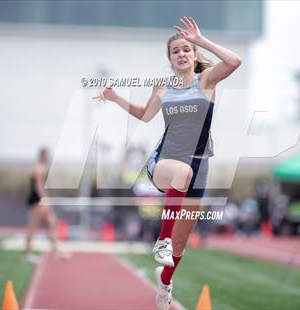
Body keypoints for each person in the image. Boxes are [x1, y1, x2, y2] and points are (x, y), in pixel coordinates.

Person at [96, 17, 241, 309]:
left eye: (186, 49)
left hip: (200, 168)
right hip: (165, 161)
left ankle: (164, 282)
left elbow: (235, 60)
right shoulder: (163, 86)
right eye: (176, 51)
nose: (182, 54)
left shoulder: (207, 79)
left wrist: (201, 39)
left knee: (180, 246)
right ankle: (160, 242)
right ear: (170, 58)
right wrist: (116, 99)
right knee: (181, 172)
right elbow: (145, 115)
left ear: (194, 53)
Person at [24, 147, 70, 263]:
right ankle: (28, 254)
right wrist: (45, 200)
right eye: (47, 155)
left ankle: (56, 251)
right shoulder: (39, 168)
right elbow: (38, 187)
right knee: (33, 227)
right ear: (42, 156)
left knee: (52, 223)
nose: (49, 157)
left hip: (39, 200)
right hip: (37, 201)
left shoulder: (42, 167)